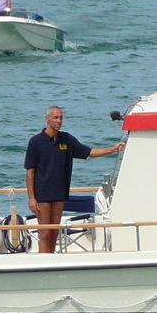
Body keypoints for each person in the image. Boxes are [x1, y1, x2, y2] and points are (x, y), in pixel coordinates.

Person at [24, 106, 124, 253]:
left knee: (54, 231)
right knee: (45, 233)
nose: (59, 121)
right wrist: (32, 198)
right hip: (42, 194)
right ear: (47, 119)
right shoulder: (36, 142)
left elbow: (89, 152)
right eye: (55, 118)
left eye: (61, 118)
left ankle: (51, 259)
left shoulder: (67, 139)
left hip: (59, 193)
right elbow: (30, 172)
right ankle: (43, 262)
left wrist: (113, 149)